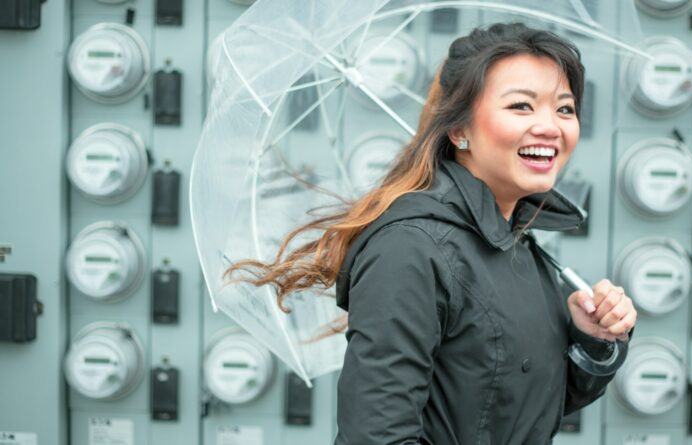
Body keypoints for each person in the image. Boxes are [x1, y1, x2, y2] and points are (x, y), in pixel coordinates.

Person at [229, 22, 637, 445]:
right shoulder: (410, 250)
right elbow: (377, 437)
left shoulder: (519, 243)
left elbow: (520, 408)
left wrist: (593, 340)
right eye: (521, 106)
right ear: (459, 131)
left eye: (565, 109)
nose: (551, 127)